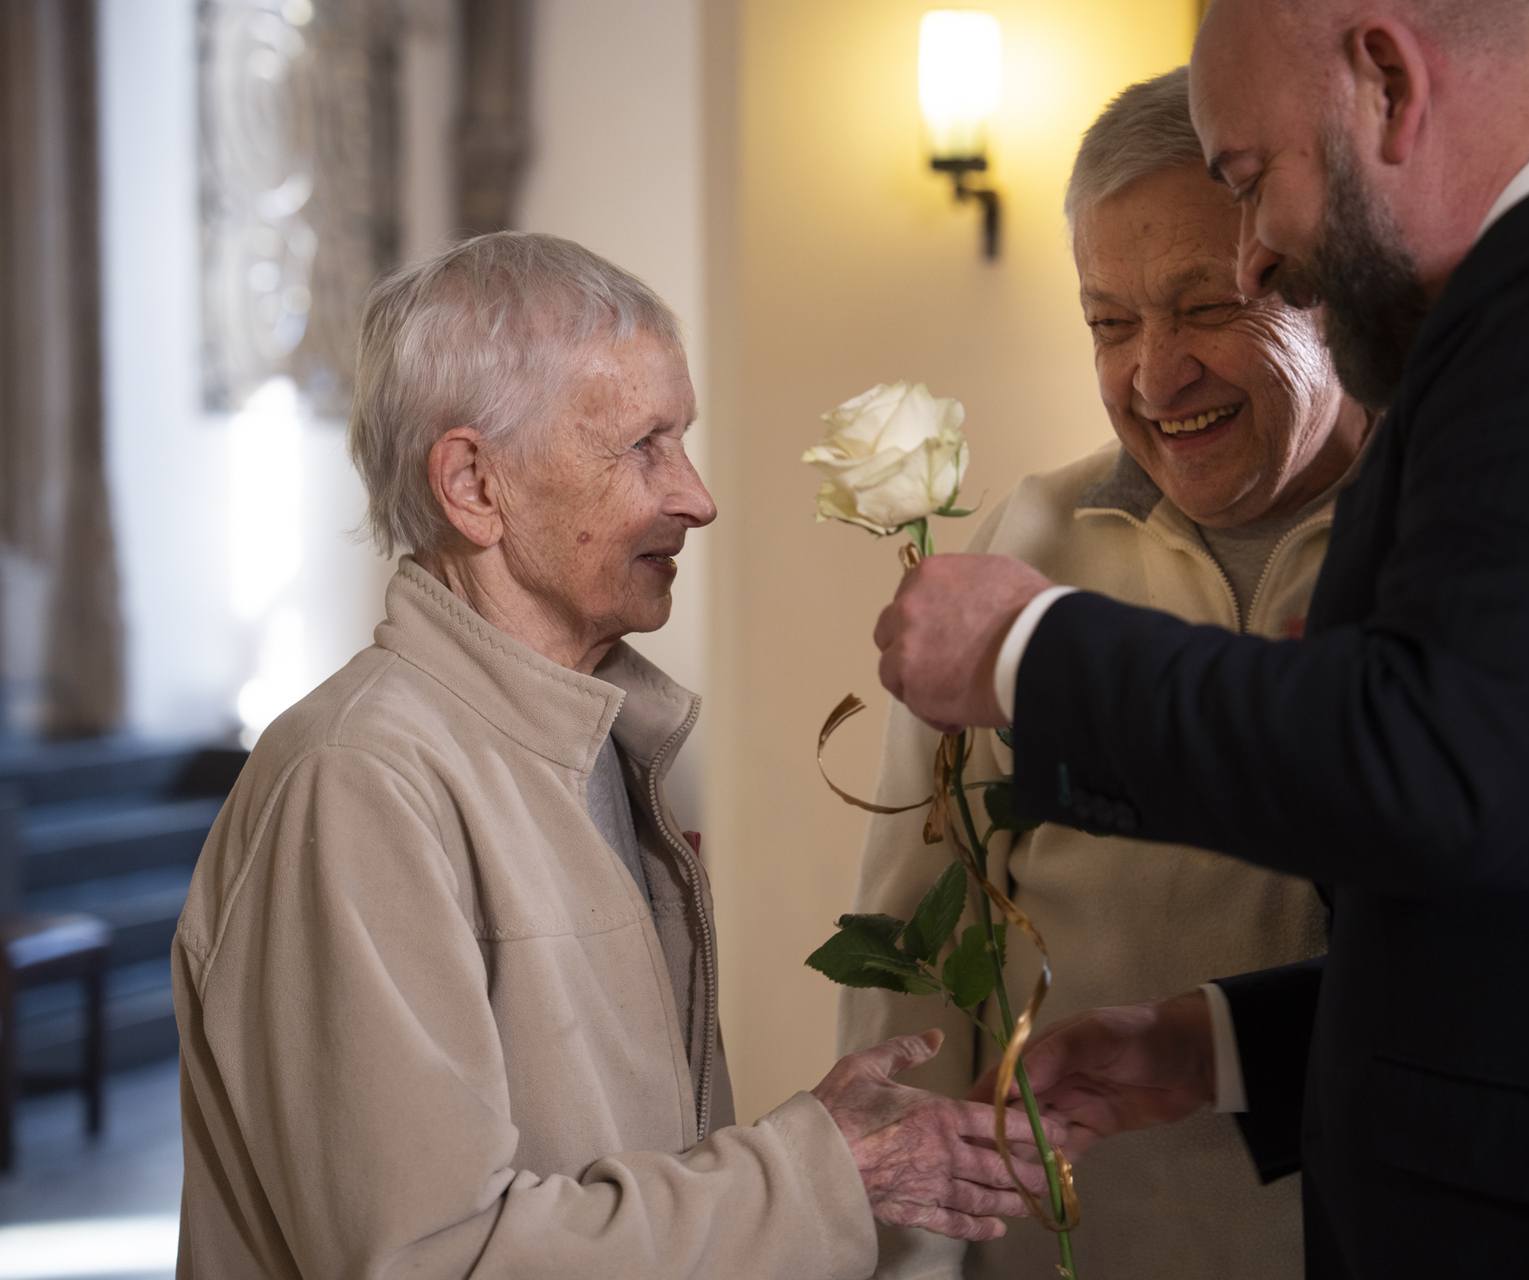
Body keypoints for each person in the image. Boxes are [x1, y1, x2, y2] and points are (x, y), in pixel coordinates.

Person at [869, 0, 1529, 1276]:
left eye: (1250, 181)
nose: (1260, 252)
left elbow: (1446, 764)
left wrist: (1027, 652)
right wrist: (1224, 1046)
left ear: (1384, 78)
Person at [172, 232, 1053, 1278]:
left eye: (682, 440)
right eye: (643, 446)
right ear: (474, 485)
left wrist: (851, 1177)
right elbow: (440, 1260)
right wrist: (822, 1173)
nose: (697, 497)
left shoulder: (595, 745)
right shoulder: (359, 783)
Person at [840, 67, 1370, 1280]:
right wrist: (908, 1256)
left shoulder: (1439, 544)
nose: (1154, 374)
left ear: (1321, 278)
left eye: (1205, 307)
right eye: (1109, 322)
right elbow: (917, 943)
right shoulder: (1028, 544)